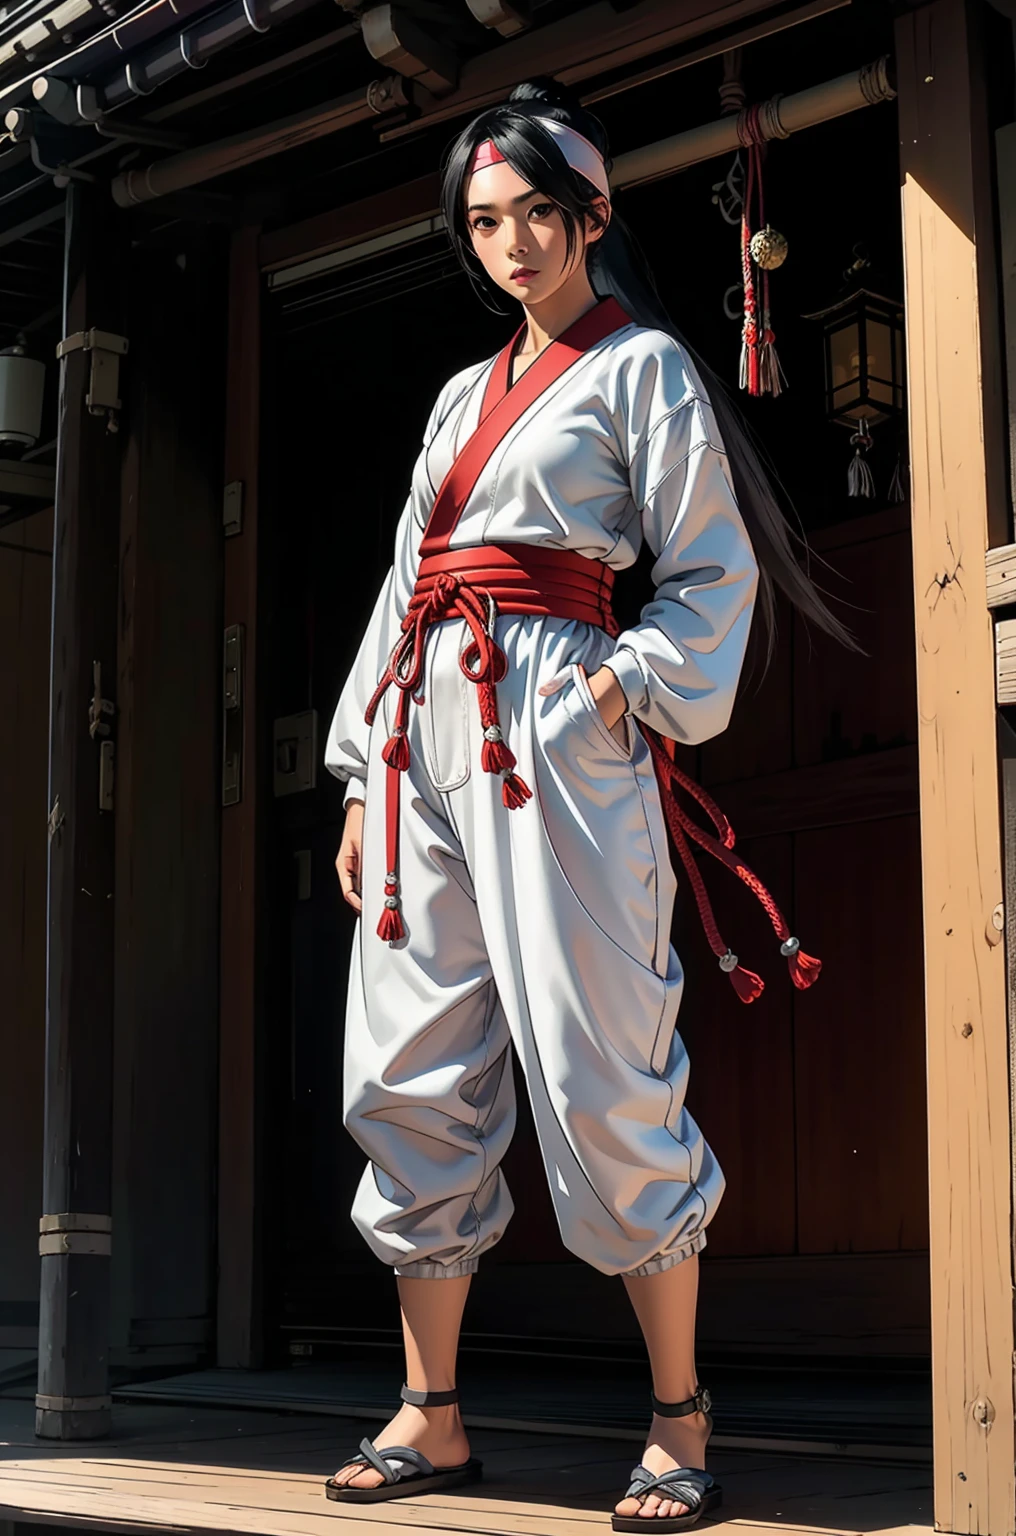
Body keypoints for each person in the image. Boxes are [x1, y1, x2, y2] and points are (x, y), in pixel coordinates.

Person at [322, 78, 844, 1532]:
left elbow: (709, 569)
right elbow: (400, 591)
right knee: (406, 1063)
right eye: (484, 220)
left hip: (556, 728)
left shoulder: (644, 370)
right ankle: (432, 1415)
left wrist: (625, 689)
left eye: (535, 212)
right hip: (429, 724)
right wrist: (368, 775)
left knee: (601, 1054)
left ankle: (678, 1414)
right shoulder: (450, 399)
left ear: (591, 215)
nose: (510, 243)